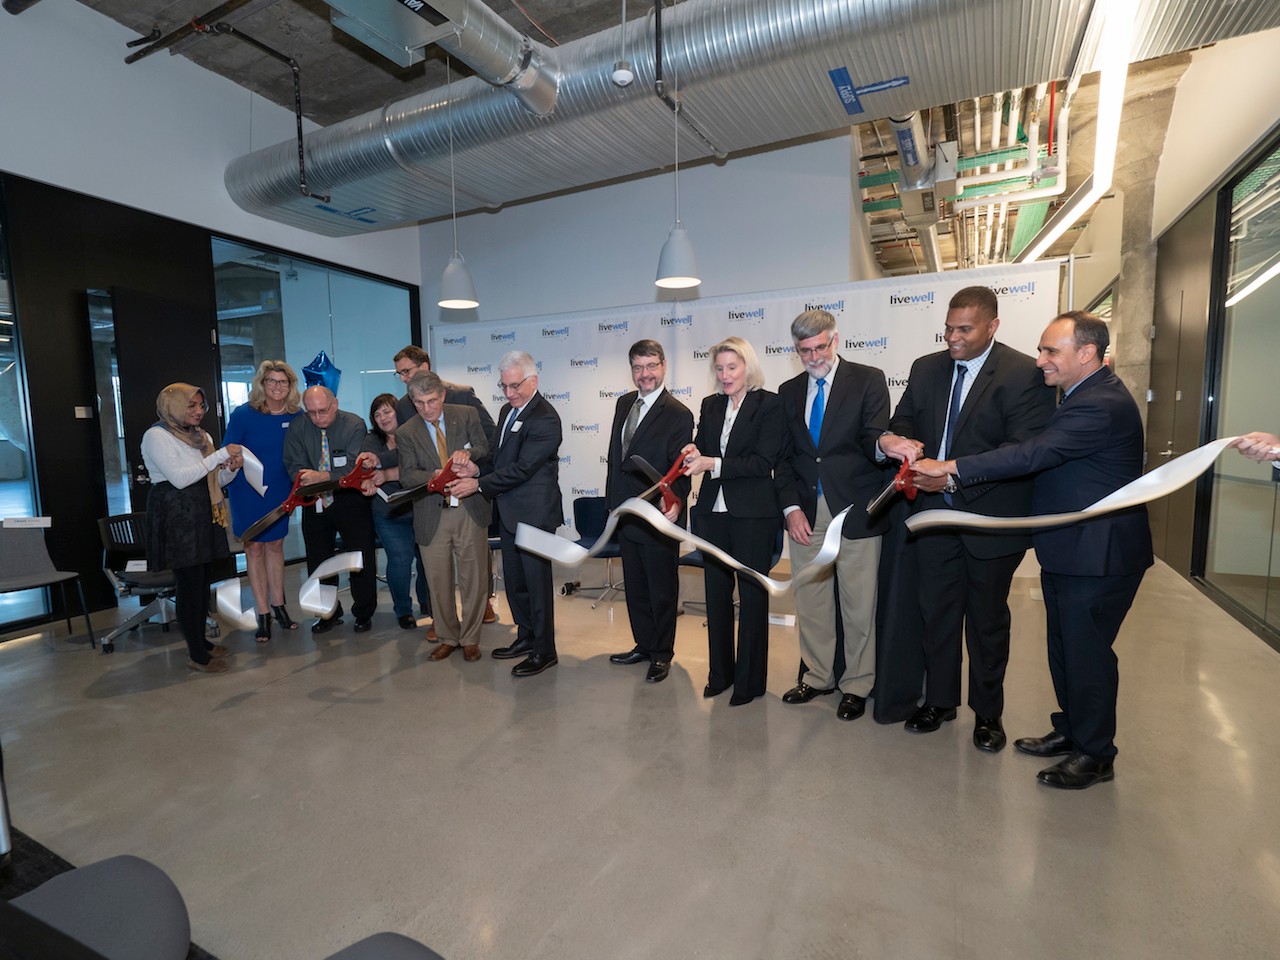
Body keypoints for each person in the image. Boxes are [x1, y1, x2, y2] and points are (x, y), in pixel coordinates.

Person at [913, 311, 1153, 790]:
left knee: (1088, 656)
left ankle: (1096, 754)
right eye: (1042, 349)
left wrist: (951, 466)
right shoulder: (1080, 394)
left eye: (1051, 351)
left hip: (1099, 555)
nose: (1040, 360)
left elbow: (1031, 455)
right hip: (1069, 550)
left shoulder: (1100, 404)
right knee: (1065, 649)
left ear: (1087, 354)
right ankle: (1072, 731)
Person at [879, 286, 1055, 751]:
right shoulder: (926, 368)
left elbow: (1020, 452)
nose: (953, 338)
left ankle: (988, 713)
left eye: (965, 329)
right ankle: (940, 701)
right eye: (948, 328)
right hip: (932, 517)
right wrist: (896, 442)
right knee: (935, 613)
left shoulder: (1023, 374)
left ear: (992, 326)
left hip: (990, 520)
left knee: (987, 620)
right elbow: (906, 420)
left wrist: (952, 479)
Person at [775, 308, 891, 722]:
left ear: (835, 340)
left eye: (819, 347)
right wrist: (790, 508)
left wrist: (890, 445)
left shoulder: (868, 380)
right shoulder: (788, 392)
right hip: (805, 512)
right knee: (811, 599)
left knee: (859, 603)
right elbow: (783, 458)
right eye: (804, 351)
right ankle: (818, 675)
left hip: (856, 510)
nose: (812, 357)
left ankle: (858, 683)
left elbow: (873, 438)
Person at [682, 338, 785, 705]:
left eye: (732, 367)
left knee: (753, 598)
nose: (725, 375)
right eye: (720, 368)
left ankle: (749, 683)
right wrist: (695, 451)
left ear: (748, 368)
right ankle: (719, 675)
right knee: (716, 597)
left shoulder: (770, 405)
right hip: (713, 512)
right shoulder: (711, 405)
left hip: (754, 514)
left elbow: (762, 462)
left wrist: (714, 464)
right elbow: (702, 444)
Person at [449, 351, 563, 678]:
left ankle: (545, 650)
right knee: (515, 583)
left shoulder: (545, 418)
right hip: (510, 514)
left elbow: (523, 468)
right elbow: (501, 459)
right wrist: (476, 467)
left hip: (535, 515)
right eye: (505, 386)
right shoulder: (506, 410)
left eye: (516, 386)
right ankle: (526, 637)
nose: (510, 393)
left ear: (533, 381)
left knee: (537, 585)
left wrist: (478, 484)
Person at [604, 339, 693, 684]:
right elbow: (616, 459)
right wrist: (612, 504)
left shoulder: (678, 413)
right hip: (626, 510)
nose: (645, 374)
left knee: (661, 587)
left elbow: (680, 468)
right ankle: (643, 644)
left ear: (663, 365)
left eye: (651, 366)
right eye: (638, 367)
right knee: (636, 585)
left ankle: (662, 654)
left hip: (658, 515)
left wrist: (676, 501)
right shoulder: (624, 403)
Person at [392, 344, 498, 627]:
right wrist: (434, 476)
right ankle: (445, 631)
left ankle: (473, 630)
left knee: (473, 575)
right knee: (437, 577)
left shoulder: (464, 405)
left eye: (431, 401)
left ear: (442, 396)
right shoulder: (405, 414)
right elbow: (408, 466)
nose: (426, 408)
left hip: (469, 505)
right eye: (419, 403)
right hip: (432, 508)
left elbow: (486, 443)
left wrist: (472, 460)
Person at [141, 383, 242, 673]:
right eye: (191, 405)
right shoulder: (156, 436)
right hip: (175, 512)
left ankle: (202, 642)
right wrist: (220, 455)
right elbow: (180, 479)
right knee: (188, 584)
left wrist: (230, 469)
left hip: (201, 509)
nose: (199, 411)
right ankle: (197, 654)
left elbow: (213, 481)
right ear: (173, 406)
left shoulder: (202, 437)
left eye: (201, 406)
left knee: (201, 582)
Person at [283, 386, 379, 634]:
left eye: (322, 411)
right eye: (311, 412)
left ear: (334, 404)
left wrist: (322, 476)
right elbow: (293, 464)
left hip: (349, 498)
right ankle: (328, 614)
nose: (317, 418)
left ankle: (363, 612)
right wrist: (306, 480)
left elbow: (351, 467)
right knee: (318, 560)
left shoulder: (354, 425)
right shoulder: (298, 427)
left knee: (359, 557)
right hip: (313, 500)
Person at [223, 360, 303, 643]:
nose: (277, 387)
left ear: (290, 386)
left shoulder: (297, 416)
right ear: (261, 384)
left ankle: (280, 606)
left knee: (276, 545)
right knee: (254, 548)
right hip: (248, 490)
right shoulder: (243, 414)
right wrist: (232, 459)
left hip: (282, 489)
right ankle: (263, 613)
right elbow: (229, 451)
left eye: (283, 382)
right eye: (271, 381)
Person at [361, 393, 429, 630]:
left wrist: (385, 468)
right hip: (388, 512)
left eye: (387, 411)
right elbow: (367, 469)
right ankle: (403, 610)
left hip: (422, 508)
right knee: (400, 560)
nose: (383, 418)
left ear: (399, 412)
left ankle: (428, 603)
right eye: (377, 415)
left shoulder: (417, 433)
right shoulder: (371, 441)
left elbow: (421, 465)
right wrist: (374, 471)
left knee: (426, 560)